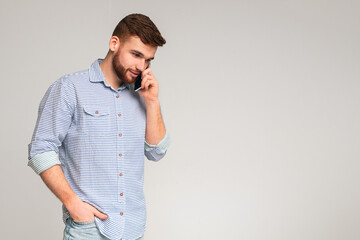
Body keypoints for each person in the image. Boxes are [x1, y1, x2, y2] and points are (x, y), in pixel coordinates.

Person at [28, 13, 170, 240]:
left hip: (133, 228)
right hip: (89, 229)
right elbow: (40, 150)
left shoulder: (142, 95)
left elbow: (156, 151)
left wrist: (152, 102)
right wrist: (72, 204)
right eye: (136, 55)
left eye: (148, 60)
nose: (141, 66)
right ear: (114, 43)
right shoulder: (70, 88)